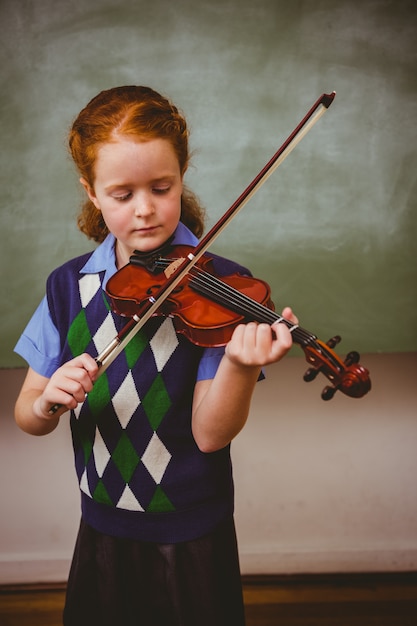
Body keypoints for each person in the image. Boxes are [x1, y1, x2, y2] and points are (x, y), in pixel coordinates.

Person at [14, 85, 297, 626]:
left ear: (182, 175)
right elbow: (27, 414)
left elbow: (211, 434)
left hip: (191, 528)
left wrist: (240, 363)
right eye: (122, 194)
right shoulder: (67, 288)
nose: (145, 209)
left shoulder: (222, 285)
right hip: (101, 519)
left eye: (161, 187)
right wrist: (47, 401)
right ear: (92, 193)